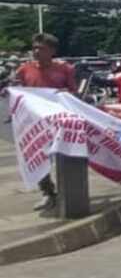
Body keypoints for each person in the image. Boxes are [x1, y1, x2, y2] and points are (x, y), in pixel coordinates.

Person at [12, 33, 78, 210]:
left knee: (66, 155)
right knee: (38, 157)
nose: (36, 51)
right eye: (34, 48)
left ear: (52, 51)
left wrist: (65, 93)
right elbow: (18, 92)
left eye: (41, 48)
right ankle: (48, 192)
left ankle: (70, 192)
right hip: (35, 122)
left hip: (60, 120)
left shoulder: (65, 69)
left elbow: (74, 92)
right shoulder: (24, 69)